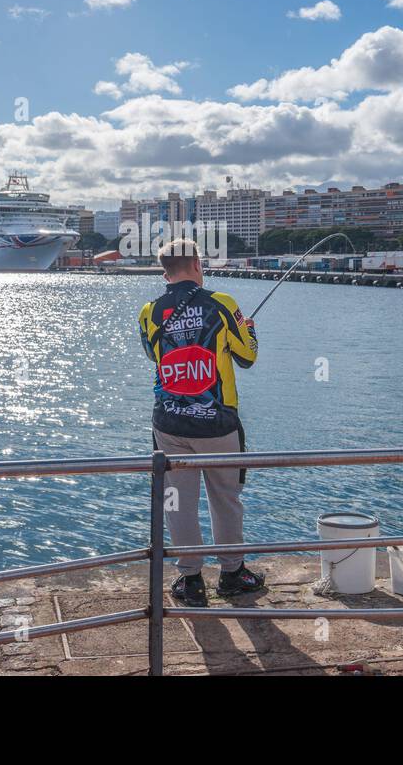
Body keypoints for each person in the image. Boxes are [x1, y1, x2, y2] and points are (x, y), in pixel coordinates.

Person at [138, 237, 265, 607]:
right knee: (225, 499)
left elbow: (153, 354)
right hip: (217, 422)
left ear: (165, 271)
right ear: (196, 265)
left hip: (169, 422)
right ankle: (232, 573)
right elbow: (247, 356)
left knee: (177, 500)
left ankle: (190, 579)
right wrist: (250, 329)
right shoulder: (221, 304)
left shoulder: (150, 311)